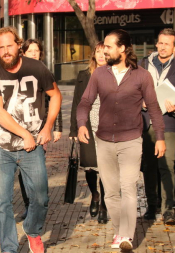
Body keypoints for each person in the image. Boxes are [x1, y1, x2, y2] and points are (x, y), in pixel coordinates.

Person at [76, 29, 165, 253]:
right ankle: (119, 230)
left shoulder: (142, 76)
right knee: (111, 192)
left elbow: (153, 108)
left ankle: (126, 235)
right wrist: (81, 124)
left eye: (108, 46)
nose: (104, 50)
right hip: (103, 141)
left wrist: (160, 138)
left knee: (128, 188)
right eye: (104, 46)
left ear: (123, 49)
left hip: (131, 141)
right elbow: (85, 101)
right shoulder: (99, 75)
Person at [0, 26, 62, 253]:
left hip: (33, 146)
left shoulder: (36, 68)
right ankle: (9, 250)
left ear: (18, 45)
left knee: (41, 196)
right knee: (2, 201)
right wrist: (24, 133)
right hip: (1, 147)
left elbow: (55, 95)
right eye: (1, 47)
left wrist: (47, 127)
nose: (6, 51)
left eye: (9, 45)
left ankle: (32, 230)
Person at [140, 28, 175, 225]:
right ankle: (151, 206)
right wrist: (140, 103)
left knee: (167, 165)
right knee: (148, 166)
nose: (162, 47)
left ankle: (168, 208)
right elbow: (132, 91)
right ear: (156, 43)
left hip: (169, 122)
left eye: (167, 44)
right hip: (146, 123)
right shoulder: (142, 65)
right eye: (160, 43)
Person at [18, 38, 63, 220]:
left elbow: (55, 99)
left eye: (37, 51)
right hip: (20, 129)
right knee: (22, 171)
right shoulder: (17, 73)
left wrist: (56, 127)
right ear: (23, 53)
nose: (34, 54)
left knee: (36, 169)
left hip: (41, 128)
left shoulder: (45, 72)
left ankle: (37, 204)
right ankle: (28, 205)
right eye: (30, 51)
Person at [69, 41, 108, 224]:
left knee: (106, 168)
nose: (101, 56)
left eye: (104, 52)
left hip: (108, 127)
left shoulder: (114, 74)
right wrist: (73, 129)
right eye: (98, 52)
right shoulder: (84, 75)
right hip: (87, 126)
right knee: (90, 165)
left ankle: (104, 207)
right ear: (94, 55)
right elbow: (77, 103)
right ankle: (94, 195)